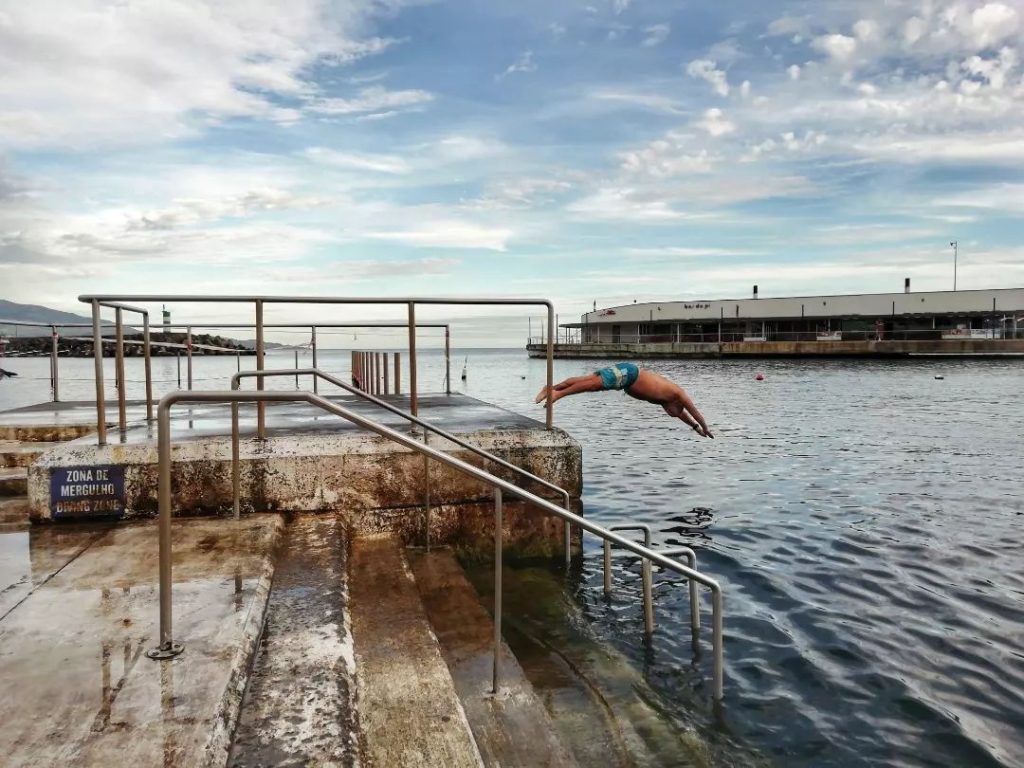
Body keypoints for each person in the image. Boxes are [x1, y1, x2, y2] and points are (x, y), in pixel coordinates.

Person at [535, 362, 713, 437]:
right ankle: (557, 394)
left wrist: (696, 429)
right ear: (676, 405)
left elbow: (684, 416)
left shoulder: (669, 402)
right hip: (630, 375)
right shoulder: (679, 394)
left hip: (627, 377)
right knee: (591, 384)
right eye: (672, 412)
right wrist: (705, 427)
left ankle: (551, 389)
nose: (670, 414)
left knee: (587, 381)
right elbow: (694, 412)